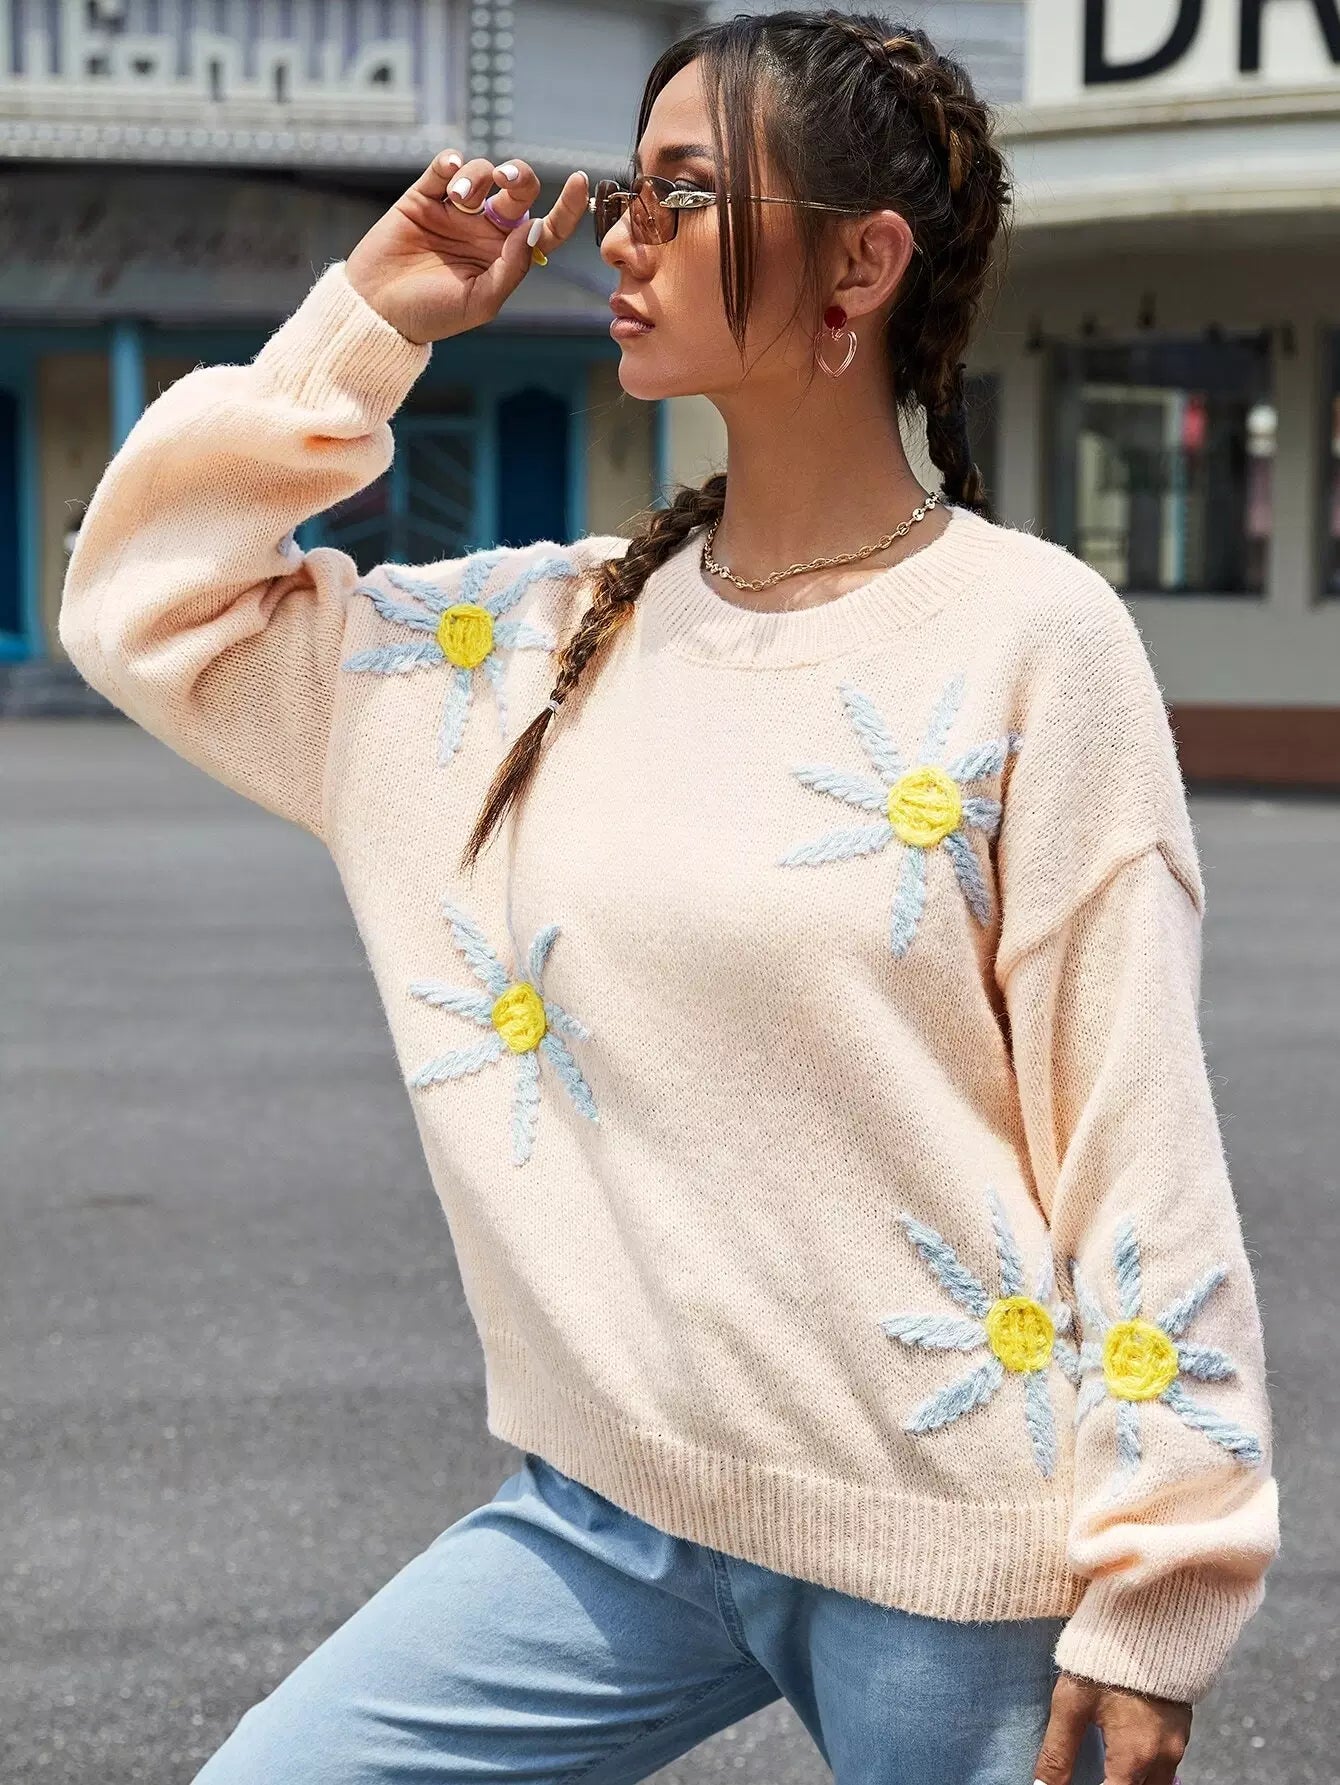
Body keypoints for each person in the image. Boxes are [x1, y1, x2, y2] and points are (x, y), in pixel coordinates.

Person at [58, 10, 1279, 1784]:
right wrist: (373, 317)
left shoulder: (1031, 638)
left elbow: (1136, 1127)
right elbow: (144, 604)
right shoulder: (525, 644)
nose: (623, 232)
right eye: (632, 187)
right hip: (611, 1517)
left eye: (687, 193)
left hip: (951, 1545)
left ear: (862, 263)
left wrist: (1160, 1583)